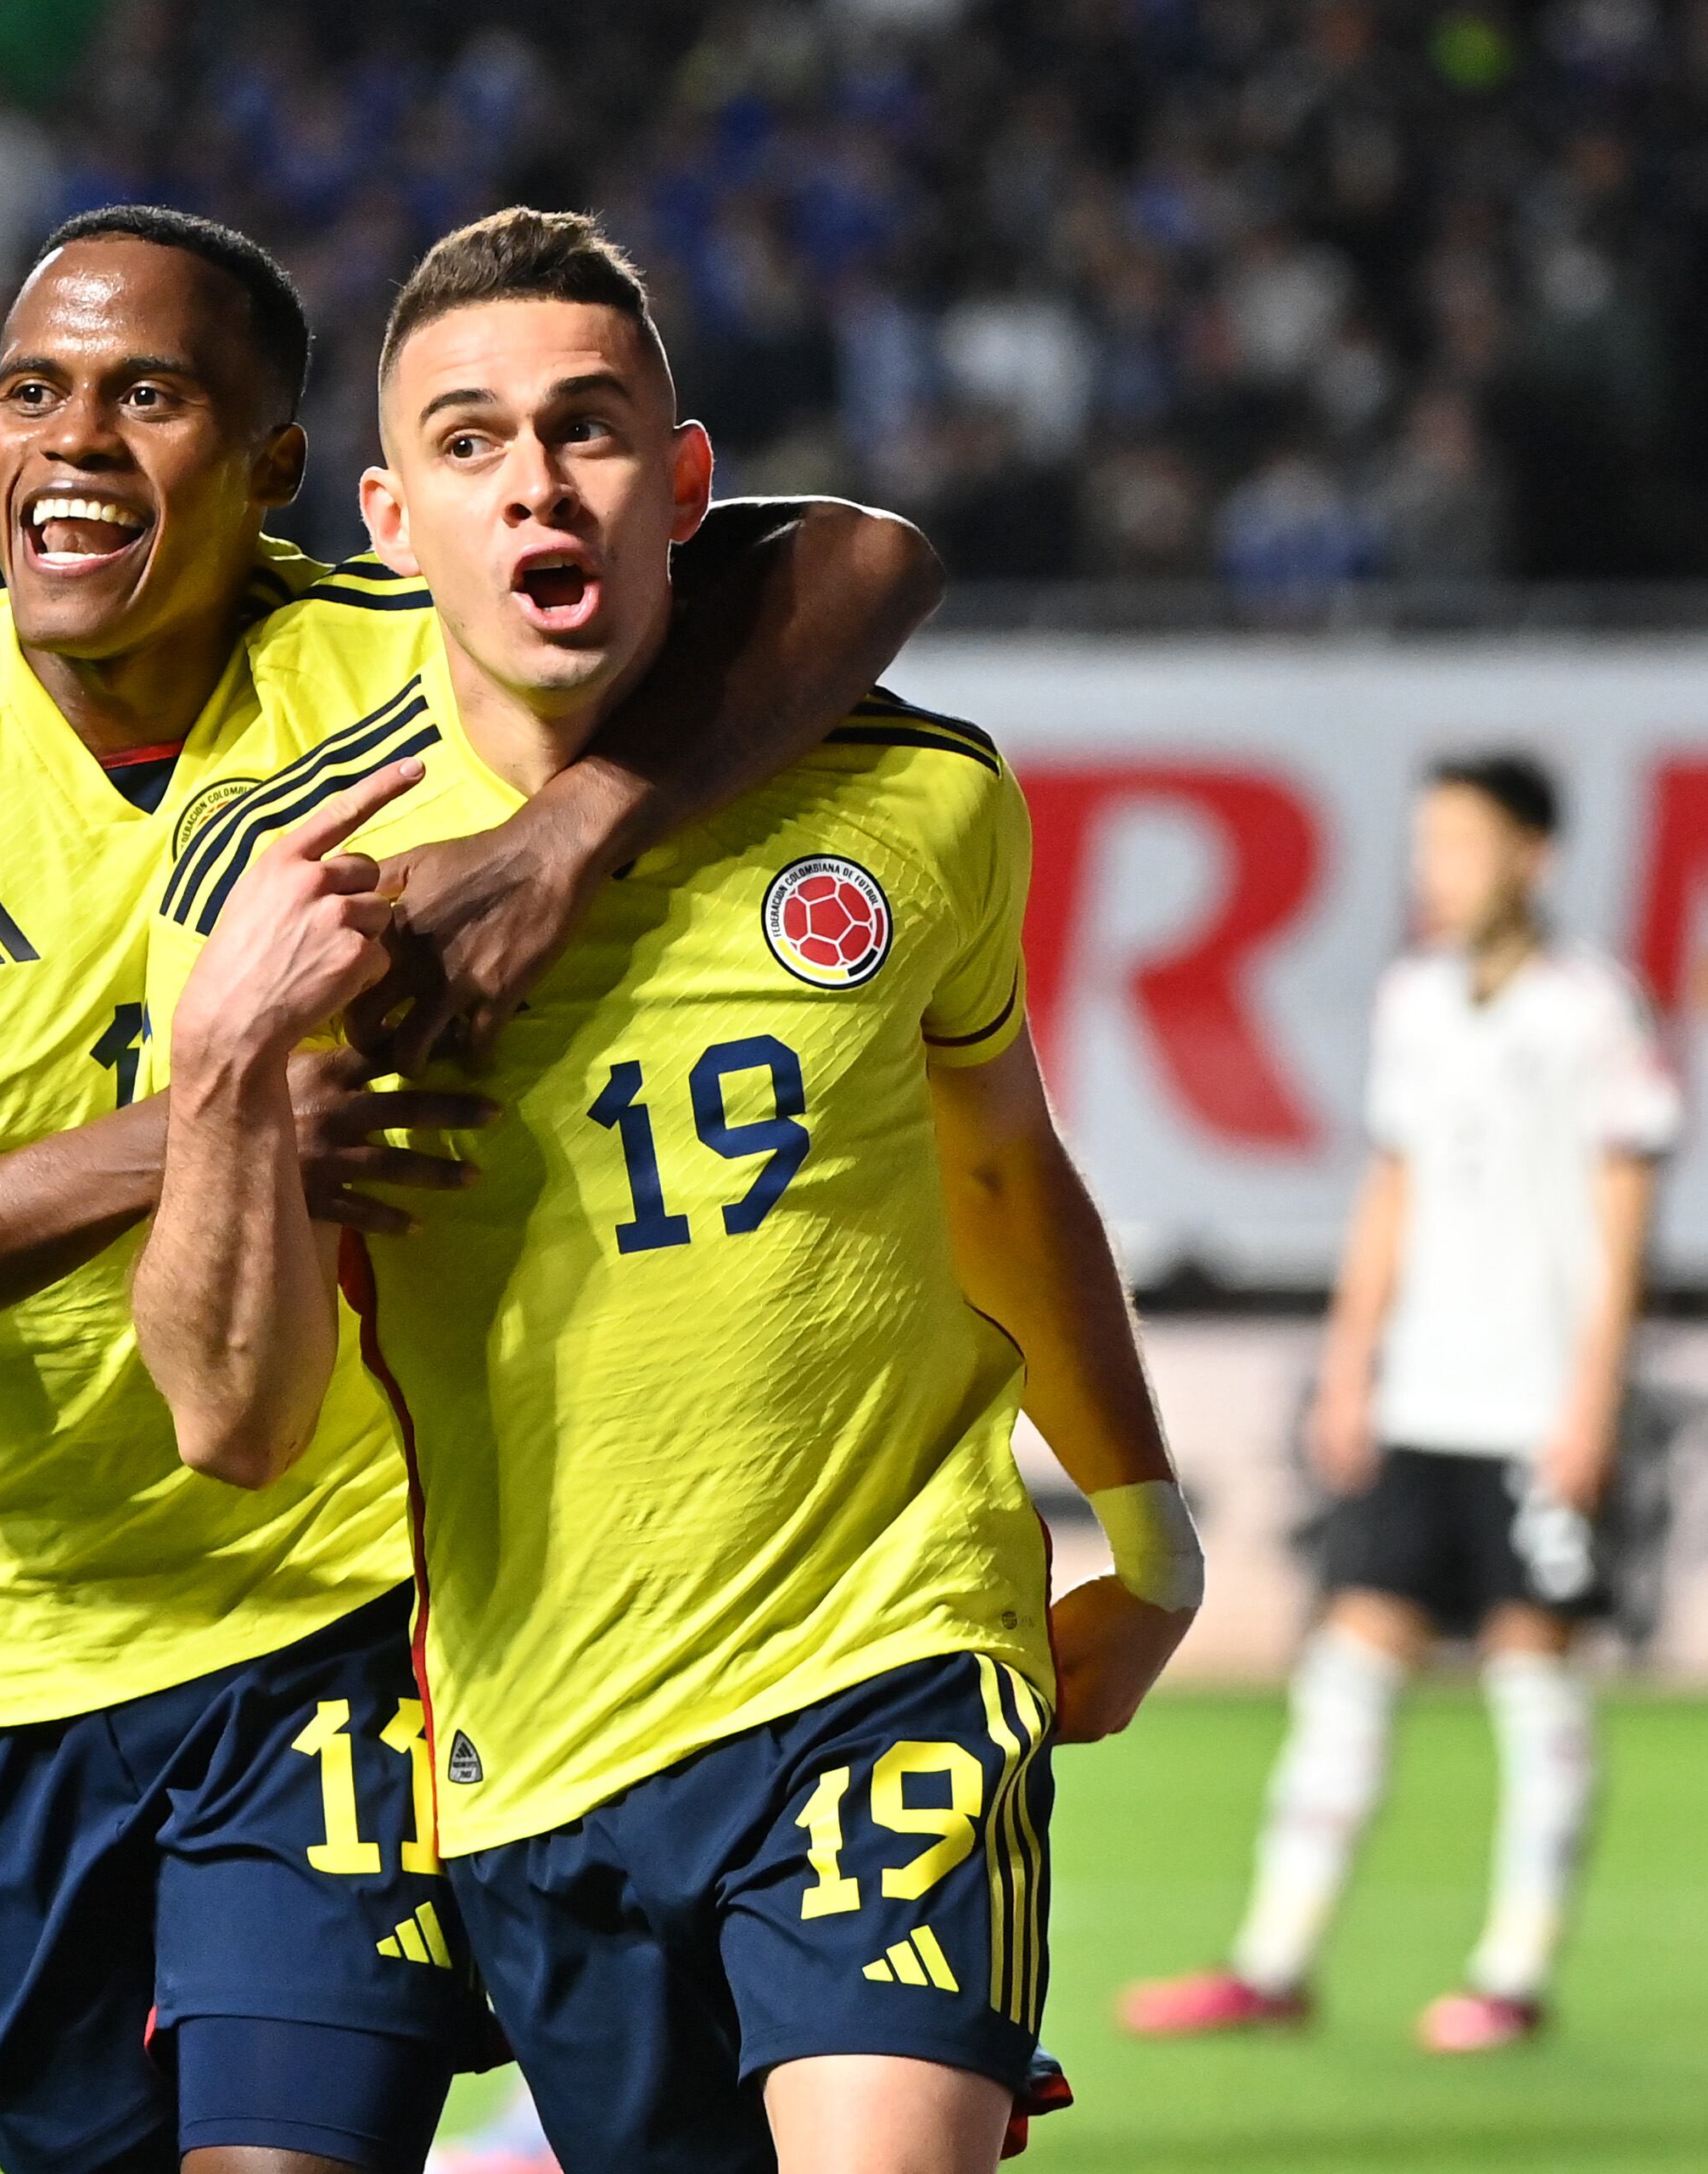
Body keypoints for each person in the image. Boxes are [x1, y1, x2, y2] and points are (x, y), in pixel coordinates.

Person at [0, 203, 946, 2174]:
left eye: (147, 396)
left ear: (275, 475)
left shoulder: (384, 647)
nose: (74, 440)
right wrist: (203, 1127)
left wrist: (569, 836)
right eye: (31, 392)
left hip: (325, 1614)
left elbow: (853, 557)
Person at [133, 208, 1201, 2174]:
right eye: (467, 443)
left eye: (588, 428)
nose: (533, 480)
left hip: (888, 1651)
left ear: (687, 483)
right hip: (545, 1738)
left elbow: (997, 1161)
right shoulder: (285, 887)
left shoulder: (917, 801)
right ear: (388, 517)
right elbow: (232, 1419)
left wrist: (1141, 1527)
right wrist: (218, 1080)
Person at [1119, 754, 1676, 2054]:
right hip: (1426, 1392)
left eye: (1463, 844)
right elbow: (1391, 1189)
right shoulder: (1416, 1000)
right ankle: (1273, 1957)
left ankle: (1513, 1973)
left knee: (1536, 1678)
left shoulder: (1595, 1011)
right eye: (1428, 845)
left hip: (1541, 1406)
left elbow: (1623, 1218)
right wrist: (1355, 1361)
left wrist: (1592, 1401)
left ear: (1532, 855)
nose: (1437, 871)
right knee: (1349, 1669)